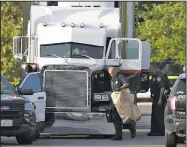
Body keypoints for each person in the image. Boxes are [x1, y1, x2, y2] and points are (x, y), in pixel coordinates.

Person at [108, 67, 136, 140]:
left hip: (122, 100)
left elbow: (126, 84)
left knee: (124, 117)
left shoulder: (120, 77)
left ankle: (131, 127)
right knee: (115, 117)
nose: (112, 75)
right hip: (115, 101)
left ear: (115, 71)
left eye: (112, 73)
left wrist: (120, 88)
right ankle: (118, 135)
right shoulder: (112, 80)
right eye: (110, 74)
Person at [147, 63, 167, 136]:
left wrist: (160, 99)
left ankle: (161, 131)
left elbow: (162, 87)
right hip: (155, 98)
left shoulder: (159, 76)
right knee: (154, 116)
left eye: (150, 67)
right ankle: (153, 131)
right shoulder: (154, 76)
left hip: (159, 98)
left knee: (159, 115)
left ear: (154, 67)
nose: (149, 69)